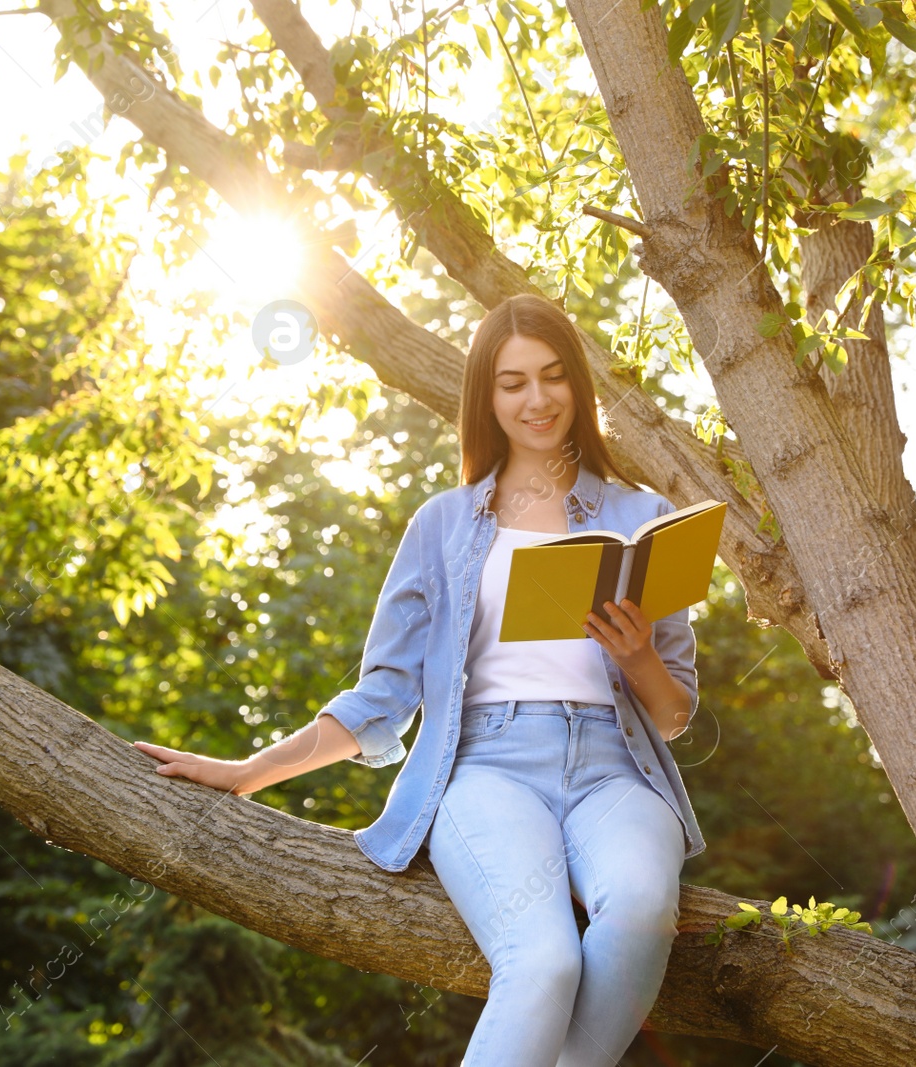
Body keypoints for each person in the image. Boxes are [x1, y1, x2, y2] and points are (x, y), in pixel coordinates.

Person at [134, 292, 707, 1066]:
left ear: (578, 383)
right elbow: (382, 694)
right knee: (542, 962)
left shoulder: (643, 513)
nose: (536, 399)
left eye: (552, 376)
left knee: (641, 911)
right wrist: (249, 770)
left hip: (618, 772)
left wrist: (637, 657)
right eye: (512, 383)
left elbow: (673, 716)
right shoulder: (442, 524)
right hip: (490, 769)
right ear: (486, 396)